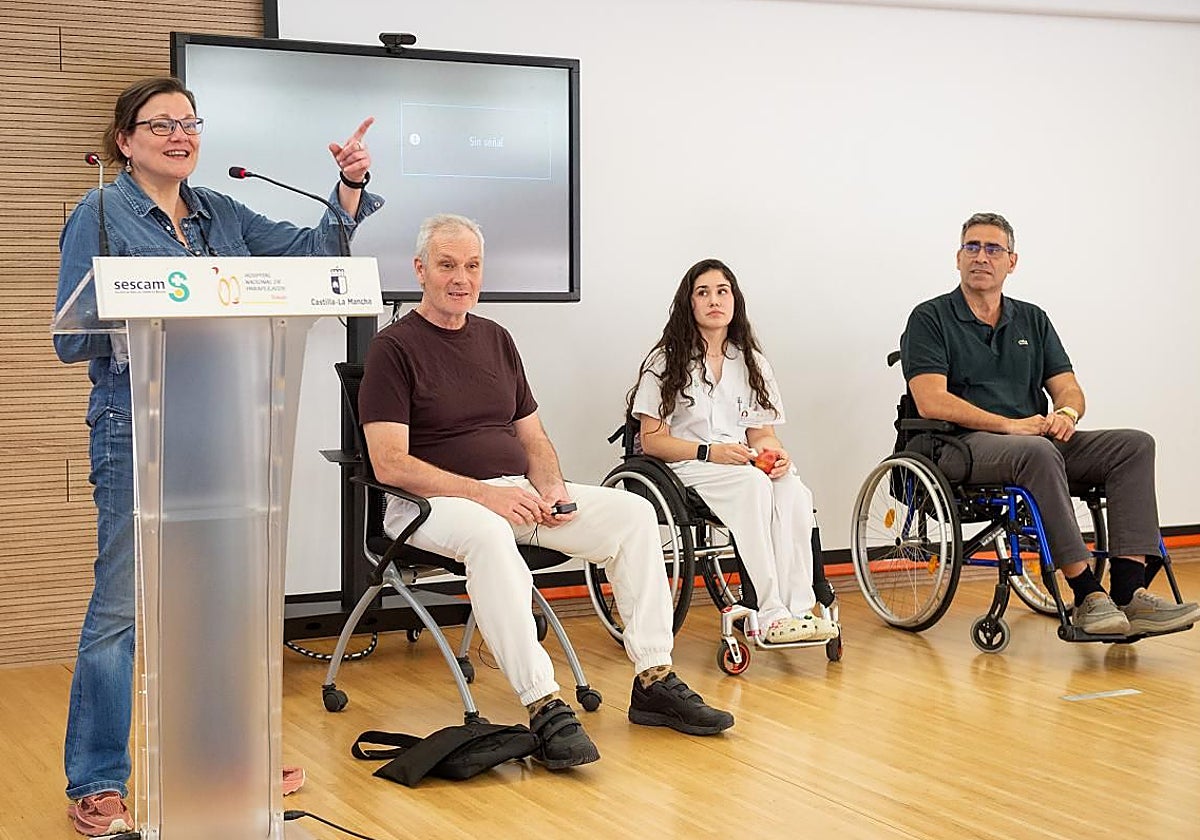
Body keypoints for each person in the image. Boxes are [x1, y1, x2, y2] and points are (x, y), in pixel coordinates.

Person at [53, 75, 382, 837]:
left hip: (229, 428)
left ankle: (225, 757)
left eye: (190, 122)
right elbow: (70, 337)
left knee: (223, 599)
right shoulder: (101, 213)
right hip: (137, 425)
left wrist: (349, 182)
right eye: (160, 123)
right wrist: (144, 309)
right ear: (125, 141)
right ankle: (99, 779)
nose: (180, 134)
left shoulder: (220, 211)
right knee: (121, 608)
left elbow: (317, 252)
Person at [357, 214, 734, 770]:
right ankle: (544, 704)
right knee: (488, 533)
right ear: (420, 270)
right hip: (427, 508)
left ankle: (653, 679)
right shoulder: (394, 348)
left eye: (472, 265)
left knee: (633, 513)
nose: (461, 278)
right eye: (446, 265)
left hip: (515, 495)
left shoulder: (496, 339)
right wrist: (487, 498)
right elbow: (390, 464)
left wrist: (552, 488)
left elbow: (532, 435)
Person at [900, 211, 1200, 636]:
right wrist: (1010, 425)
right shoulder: (930, 318)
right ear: (958, 257)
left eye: (992, 249)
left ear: (1011, 261)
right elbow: (931, 401)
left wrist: (1066, 414)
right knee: (1036, 450)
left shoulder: (1032, 319)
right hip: (960, 446)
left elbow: (1069, 388)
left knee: (1135, 445)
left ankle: (1130, 592)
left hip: (1031, 442)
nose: (981, 257)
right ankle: (1087, 594)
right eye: (972, 247)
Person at [628, 258, 837, 645]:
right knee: (753, 487)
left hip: (740, 464)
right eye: (702, 292)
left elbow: (762, 434)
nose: (714, 300)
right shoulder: (665, 360)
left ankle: (799, 608)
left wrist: (776, 454)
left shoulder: (752, 362)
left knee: (792, 489)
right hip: (687, 465)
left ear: (734, 300)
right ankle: (769, 610)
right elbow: (653, 440)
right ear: (688, 303)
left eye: (722, 291)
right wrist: (710, 452)